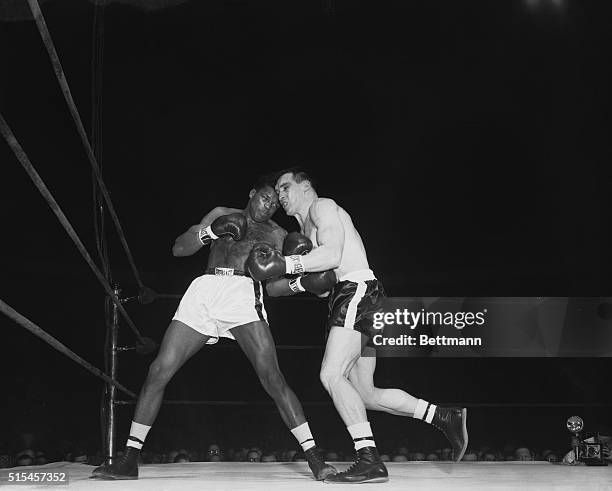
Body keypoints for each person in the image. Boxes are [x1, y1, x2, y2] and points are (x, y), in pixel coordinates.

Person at [92, 175, 335, 481]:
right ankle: (129, 459)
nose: (269, 205)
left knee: (272, 378)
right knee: (159, 370)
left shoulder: (278, 234)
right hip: (204, 291)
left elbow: (273, 288)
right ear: (251, 193)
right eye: (264, 197)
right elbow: (179, 248)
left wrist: (301, 285)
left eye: (275, 203)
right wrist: (210, 232)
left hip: (243, 294)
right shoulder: (221, 213)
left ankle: (314, 459)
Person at [248, 168, 468, 483]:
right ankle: (443, 416)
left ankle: (369, 459)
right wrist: (296, 283)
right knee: (365, 393)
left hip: (357, 293)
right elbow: (323, 285)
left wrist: (285, 265)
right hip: (353, 297)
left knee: (330, 374)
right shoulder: (303, 228)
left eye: (285, 187)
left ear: (306, 185)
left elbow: (333, 255)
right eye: (278, 190)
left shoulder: (321, 207)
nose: (280, 195)